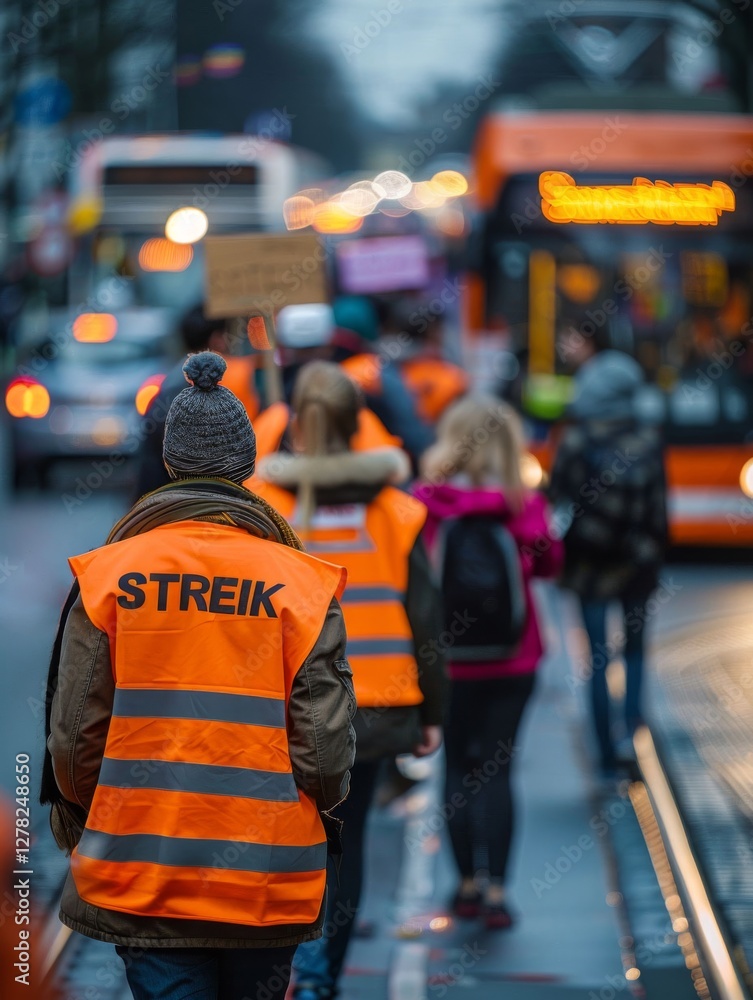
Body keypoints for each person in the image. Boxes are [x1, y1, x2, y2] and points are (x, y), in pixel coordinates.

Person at [42, 352, 356, 1000]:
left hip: (144, 872)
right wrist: (318, 813)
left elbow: (74, 739)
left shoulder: (108, 577)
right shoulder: (299, 584)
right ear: (245, 467)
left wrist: (86, 814)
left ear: (168, 461)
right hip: (266, 875)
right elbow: (324, 749)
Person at [251, 361, 447, 1000]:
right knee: (347, 842)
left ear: (294, 423)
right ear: (359, 422)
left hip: (287, 708)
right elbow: (426, 619)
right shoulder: (396, 511)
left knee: (288, 842)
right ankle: (320, 976)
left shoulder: (266, 508)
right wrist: (433, 712)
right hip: (375, 706)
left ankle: (288, 968)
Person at [414, 396, 562, 929]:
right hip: (512, 655)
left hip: (446, 659)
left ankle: (466, 886)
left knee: (455, 766)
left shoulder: (426, 503)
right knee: (498, 770)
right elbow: (549, 564)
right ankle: (498, 891)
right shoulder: (523, 503)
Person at [548, 349, 667, 774]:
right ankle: (631, 739)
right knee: (635, 654)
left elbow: (556, 500)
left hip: (588, 566)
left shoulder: (575, 439)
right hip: (637, 565)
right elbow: (658, 511)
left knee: (596, 660)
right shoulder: (648, 439)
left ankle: (604, 753)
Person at [134, 305, 259, 496]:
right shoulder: (201, 391)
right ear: (216, 340)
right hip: (181, 506)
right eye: (226, 336)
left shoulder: (170, 383)